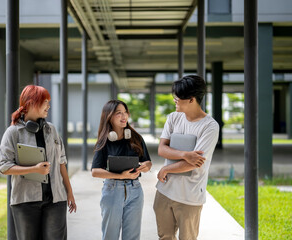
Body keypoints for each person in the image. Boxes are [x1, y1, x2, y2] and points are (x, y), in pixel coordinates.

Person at [0, 85, 76, 240]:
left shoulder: (51, 129)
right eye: (45, 102)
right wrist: (34, 169)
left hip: (56, 200)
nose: (49, 106)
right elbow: (4, 167)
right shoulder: (13, 132)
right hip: (25, 201)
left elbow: (61, 162)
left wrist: (69, 192)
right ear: (32, 103)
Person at [153, 75, 219, 240]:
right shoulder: (173, 118)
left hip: (190, 196)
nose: (174, 99)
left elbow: (195, 163)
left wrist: (167, 168)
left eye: (178, 97)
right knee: (164, 237)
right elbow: (162, 149)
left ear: (191, 99)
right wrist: (184, 154)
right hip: (164, 191)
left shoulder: (210, 126)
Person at [91, 100, 152, 240]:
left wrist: (146, 166)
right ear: (109, 116)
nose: (124, 116)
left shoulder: (136, 137)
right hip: (113, 190)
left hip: (135, 190)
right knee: (110, 236)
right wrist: (120, 176)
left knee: (132, 237)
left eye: (125, 112)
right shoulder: (104, 141)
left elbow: (147, 161)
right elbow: (95, 171)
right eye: (119, 113)